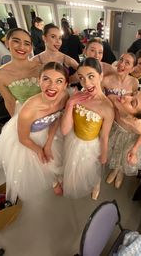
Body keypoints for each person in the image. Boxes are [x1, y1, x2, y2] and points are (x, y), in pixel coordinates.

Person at [0, 62, 69, 203]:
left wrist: (49, 142)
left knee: (55, 156)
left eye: (59, 81)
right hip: (28, 138)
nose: (52, 86)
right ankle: (53, 182)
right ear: (39, 81)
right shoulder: (28, 110)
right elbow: (23, 139)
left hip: (48, 130)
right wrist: (40, 150)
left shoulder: (64, 97)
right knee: (42, 163)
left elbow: (56, 119)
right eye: (46, 79)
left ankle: (56, 176)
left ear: (65, 85)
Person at [61, 57, 114, 200]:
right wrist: (70, 104)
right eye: (81, 78)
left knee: (93, 169)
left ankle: (96, 184)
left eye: (91, 76)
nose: (87, 83)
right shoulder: (77, 96)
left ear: (101, 76)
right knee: (76, 167)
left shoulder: (107, 108)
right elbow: (65, 131)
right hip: (74, 140)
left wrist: (104, 155)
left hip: (91, 145)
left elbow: (104, 136)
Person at [106, 91, 141, 188]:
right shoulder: (113, 99)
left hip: (130, 138)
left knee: (123, 155)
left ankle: (120, 171)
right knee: (115, 152)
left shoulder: (139, 126)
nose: (126, 97)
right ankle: (115, 169)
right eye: (132, 94)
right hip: (116, 132)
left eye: (132, 103)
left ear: (134, 117)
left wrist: (134, 149)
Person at [0, 28, 41, 116]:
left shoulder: (41, 67)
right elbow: (10, 101)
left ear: (30, 48)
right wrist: (14, 123)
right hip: (25, 116)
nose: (22, 47)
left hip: (49, 112)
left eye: (27, 44)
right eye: (16, 41)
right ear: (7, 43)